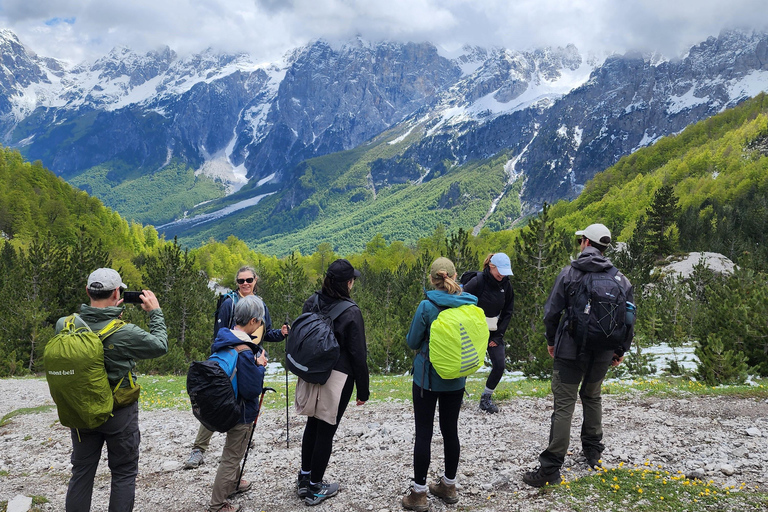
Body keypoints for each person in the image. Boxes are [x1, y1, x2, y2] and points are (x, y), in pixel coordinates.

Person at [523, 224, 634, 487]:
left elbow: (552, 313)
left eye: (580, 240)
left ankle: (550, 468)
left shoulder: (569, 273)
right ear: (604, 247)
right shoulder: (621, 279)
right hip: (603, 352)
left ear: (585, 243)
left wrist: (552, 341)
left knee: (564, 405)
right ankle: (593, 452)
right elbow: (628, 319)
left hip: (570, 351)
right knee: (592, 396)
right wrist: (619, 350)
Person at [55, 268, 168, 512]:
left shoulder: (65, 325)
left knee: (82, 473)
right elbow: (160, 345)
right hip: (119, 414)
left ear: (88, 291)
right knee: (123, 473)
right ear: (117, 292)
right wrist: (155, 313)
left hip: (81, 412)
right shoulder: (125, 331)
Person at [186, 266, 289, 469]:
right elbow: (220, 335)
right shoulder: (229, 303)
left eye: (249, 280)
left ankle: (239, 442)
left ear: (255, 280)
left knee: (247, 401)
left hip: (250, 361)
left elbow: (264, 333)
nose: (245, 284)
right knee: (218, 401)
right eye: (241, 281)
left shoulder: (260, 305)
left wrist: (281, 334)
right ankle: (199, 449)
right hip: (232, 360)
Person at [401, 257, 479, 511]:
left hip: (427, 380)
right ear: (454, 277)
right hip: (456, 378)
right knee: (450, 431)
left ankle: (419, 493)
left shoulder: (427, 306)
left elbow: (413, 342)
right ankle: (449, 485)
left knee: (424, 432)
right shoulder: (468, 303)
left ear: (433, 279)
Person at [295, 259, 369, 506]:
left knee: (311, 425)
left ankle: (304, 479)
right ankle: (315, 488)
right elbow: (358, 355)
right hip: (337, 378)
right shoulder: (351, 311)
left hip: (310, 372)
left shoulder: (311, 302)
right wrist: (363, 390)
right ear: (348, 283)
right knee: (326, 430)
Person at [207, 295, 269, 512]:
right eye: (260, 321)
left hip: (225, 404)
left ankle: (233, 483)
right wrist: (259, 366)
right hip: (241, 411)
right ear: (252, 321)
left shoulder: (225, 338)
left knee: (233, 452)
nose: (261, 325)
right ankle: (217, 504)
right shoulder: (244, 349)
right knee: (232, 457)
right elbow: (251, 389)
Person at [462, 253, 514, 413]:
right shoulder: (477, 281)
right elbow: (460, 302)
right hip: (472, 329)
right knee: (464, 364)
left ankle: (486, 398)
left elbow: (508, 312)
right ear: (491, 267)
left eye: (505, 271)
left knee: (499, 365)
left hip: (493, 331)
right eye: (500, 271)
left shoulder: (507, 286)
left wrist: (498, 336)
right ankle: (456, 395)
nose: (502, 275)